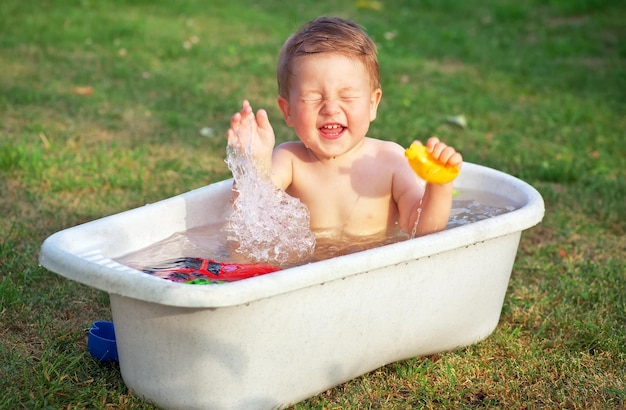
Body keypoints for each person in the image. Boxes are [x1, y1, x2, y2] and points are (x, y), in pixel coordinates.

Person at [227, 16, 462, 239]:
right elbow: (251, 221)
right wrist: (253, 163)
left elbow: (422, 230)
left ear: (372, 104)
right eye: (313, 97)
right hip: (307, 275)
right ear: (288, 110)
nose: (330, 108)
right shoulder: (290, 161)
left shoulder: (390, 160)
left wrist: (439, 185)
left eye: (346, 96)